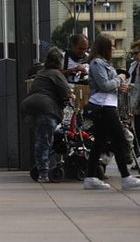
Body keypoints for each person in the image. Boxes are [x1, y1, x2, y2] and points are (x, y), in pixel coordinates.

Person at [82, 34, 140, 190]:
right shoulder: (97, 63)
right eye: (112, 45)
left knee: (100, 142)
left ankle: (90, 176)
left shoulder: (103, 63)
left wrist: (119, 85)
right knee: (119, 139)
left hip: (107, 105)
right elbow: (104, 85)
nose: (113, 48)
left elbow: (109, 85)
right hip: (103, 106)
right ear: (105, 47)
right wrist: (120, 78)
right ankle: (125, 177)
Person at [20, 48, 73, 182]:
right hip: (46, 108)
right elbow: (67, 93)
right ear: (59, 62)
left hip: (29, 107)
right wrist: (72, 95)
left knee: (41, 139)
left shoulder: (41, 73)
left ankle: (40, 167)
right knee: (44, 141)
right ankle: (43, 173)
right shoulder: (56, 74)